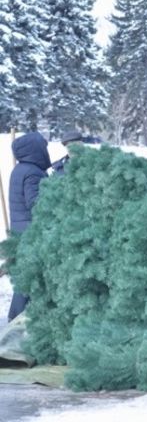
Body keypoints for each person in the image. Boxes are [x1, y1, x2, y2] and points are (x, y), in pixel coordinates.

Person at [7, 131, 51, 321]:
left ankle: (17, 319)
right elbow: (35, 203)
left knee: (26, 279)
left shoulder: (20, 169)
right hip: (30, 233)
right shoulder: (32, 172)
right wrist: (54, 193)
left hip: (21, 230)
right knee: (29, 280)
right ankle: (16, 321)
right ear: (36, 149)